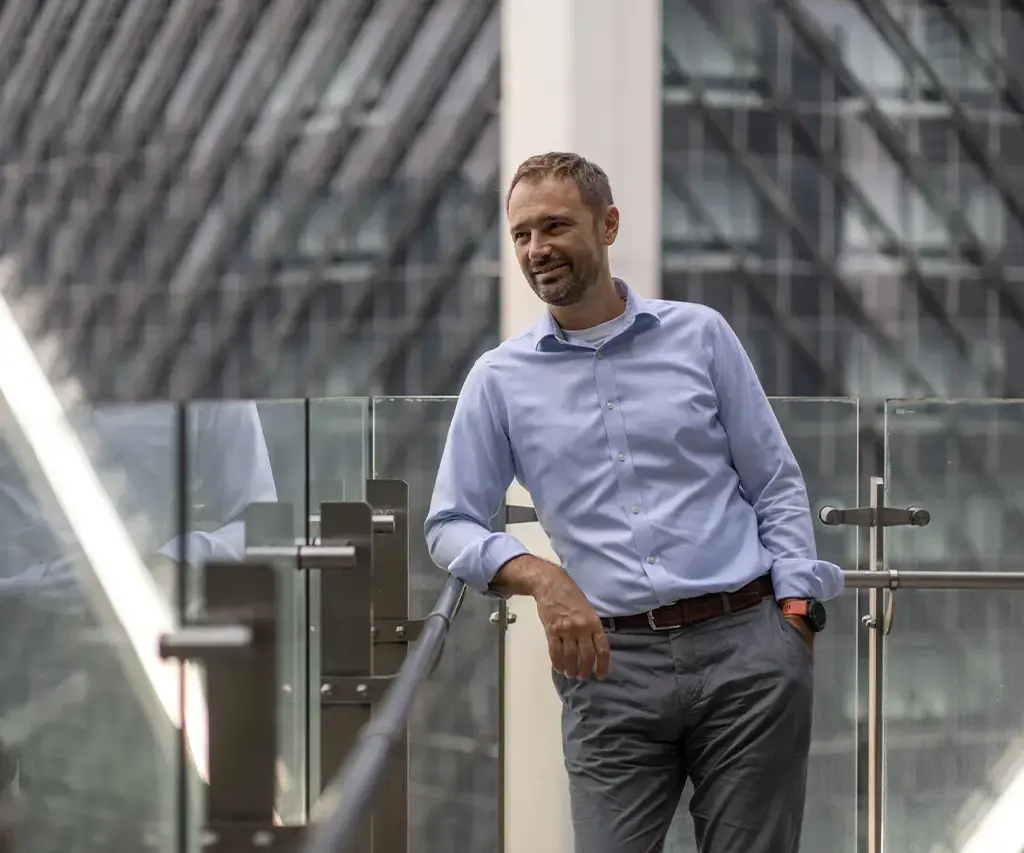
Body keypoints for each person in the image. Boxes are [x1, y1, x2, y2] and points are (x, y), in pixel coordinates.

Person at [425, 151, 844, 853]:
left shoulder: (701, 335)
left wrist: (795, 614)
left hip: (747, 651)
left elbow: (773, 479)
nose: (537, 250)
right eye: (522, 234)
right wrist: (542, 577)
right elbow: (449, 522)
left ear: (608, 223)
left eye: (556, 225)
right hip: (608, 666)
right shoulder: (497, 380)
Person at [0, 401, 278, 852]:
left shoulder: (200, 362)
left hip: (110, 636)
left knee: (92, 830)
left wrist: (173, 564)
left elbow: (262, 523)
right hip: (23, 617)